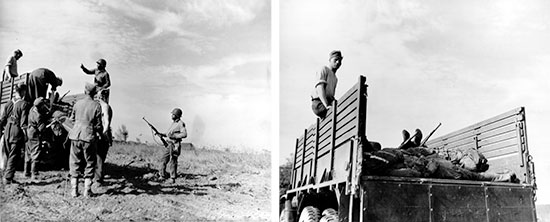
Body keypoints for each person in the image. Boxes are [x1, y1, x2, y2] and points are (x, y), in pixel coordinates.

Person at [68, 83, 103, 197]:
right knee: (90, 162)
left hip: (75, 135)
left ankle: (74, 190)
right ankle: (87, 191)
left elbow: (72, 119)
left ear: (85, 91)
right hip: (88, 137)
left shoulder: (77, 104)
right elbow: (98, 125)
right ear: (94, 93)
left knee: (74, 162)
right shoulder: (97, 106)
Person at [0, 84, 31, 184]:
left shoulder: (8, 103)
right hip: (16, 131)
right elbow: (23, 123)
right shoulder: (24, 104)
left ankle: (7, 175)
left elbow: (2, 119)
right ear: (23, 92)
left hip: (7, 131)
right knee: (14, 155)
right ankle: (8, 178)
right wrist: (26, 135)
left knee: (8, 153)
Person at [156, 108, 187, 184]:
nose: (171, 116)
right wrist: (161, 134)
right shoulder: (173, 123)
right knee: (163, 160)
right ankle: (162, 176)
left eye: (173, 114)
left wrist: (175, 136)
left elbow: (184, 134)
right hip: (169, 145)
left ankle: (172, 178)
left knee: (173, 161)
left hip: (175, 145)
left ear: (177, 115)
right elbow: (168, 134)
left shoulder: (181, 123)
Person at [311, 50, 343, 119]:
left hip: (327, 101)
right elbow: (320, 88)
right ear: (330, 60)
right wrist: (327, 106)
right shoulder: (324, 69)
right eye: (336, 60)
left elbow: (331, 96)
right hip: (319, 102)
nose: (338, 62)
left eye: (340, 60)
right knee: (335, 114)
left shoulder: (335, 78)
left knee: (342, 112)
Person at [24, 97, 50, 181]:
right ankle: (34, 174)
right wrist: (50, 124)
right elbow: (42, 128)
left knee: (28, 153)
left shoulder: (32, 109)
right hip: (35, 134)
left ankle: (26, 172)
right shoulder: (38, 116)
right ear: (41, 106)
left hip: (29, 132)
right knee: (36, 153)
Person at [94, 89, 113, 185]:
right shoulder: (104, 106)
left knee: (99, 157)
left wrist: (102, 133)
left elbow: (107, 122)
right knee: (99, 157)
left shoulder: (104, 107)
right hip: (101, 134)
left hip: (101, 135)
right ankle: (97, 178)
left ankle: (98, 179)